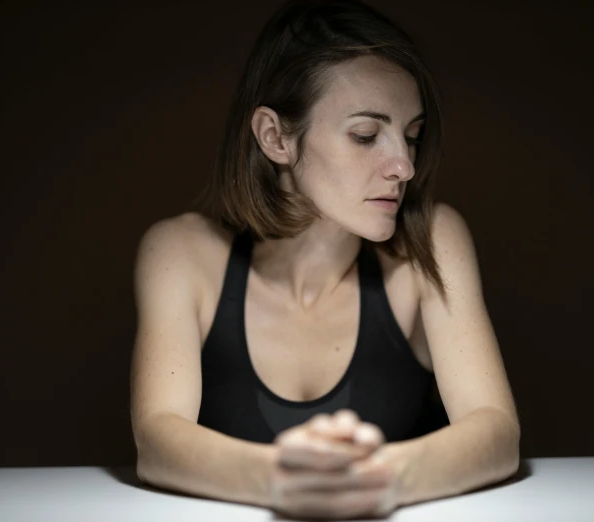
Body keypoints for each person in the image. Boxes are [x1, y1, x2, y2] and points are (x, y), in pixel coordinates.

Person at [129, 0, 520, 519]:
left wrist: (383, 478)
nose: (404, 166)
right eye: (365, 135)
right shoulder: (179, 253)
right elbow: (156, 440)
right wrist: (282, 480)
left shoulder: (433, 239)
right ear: (275, 138)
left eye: (412, 135)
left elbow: (497, 430)